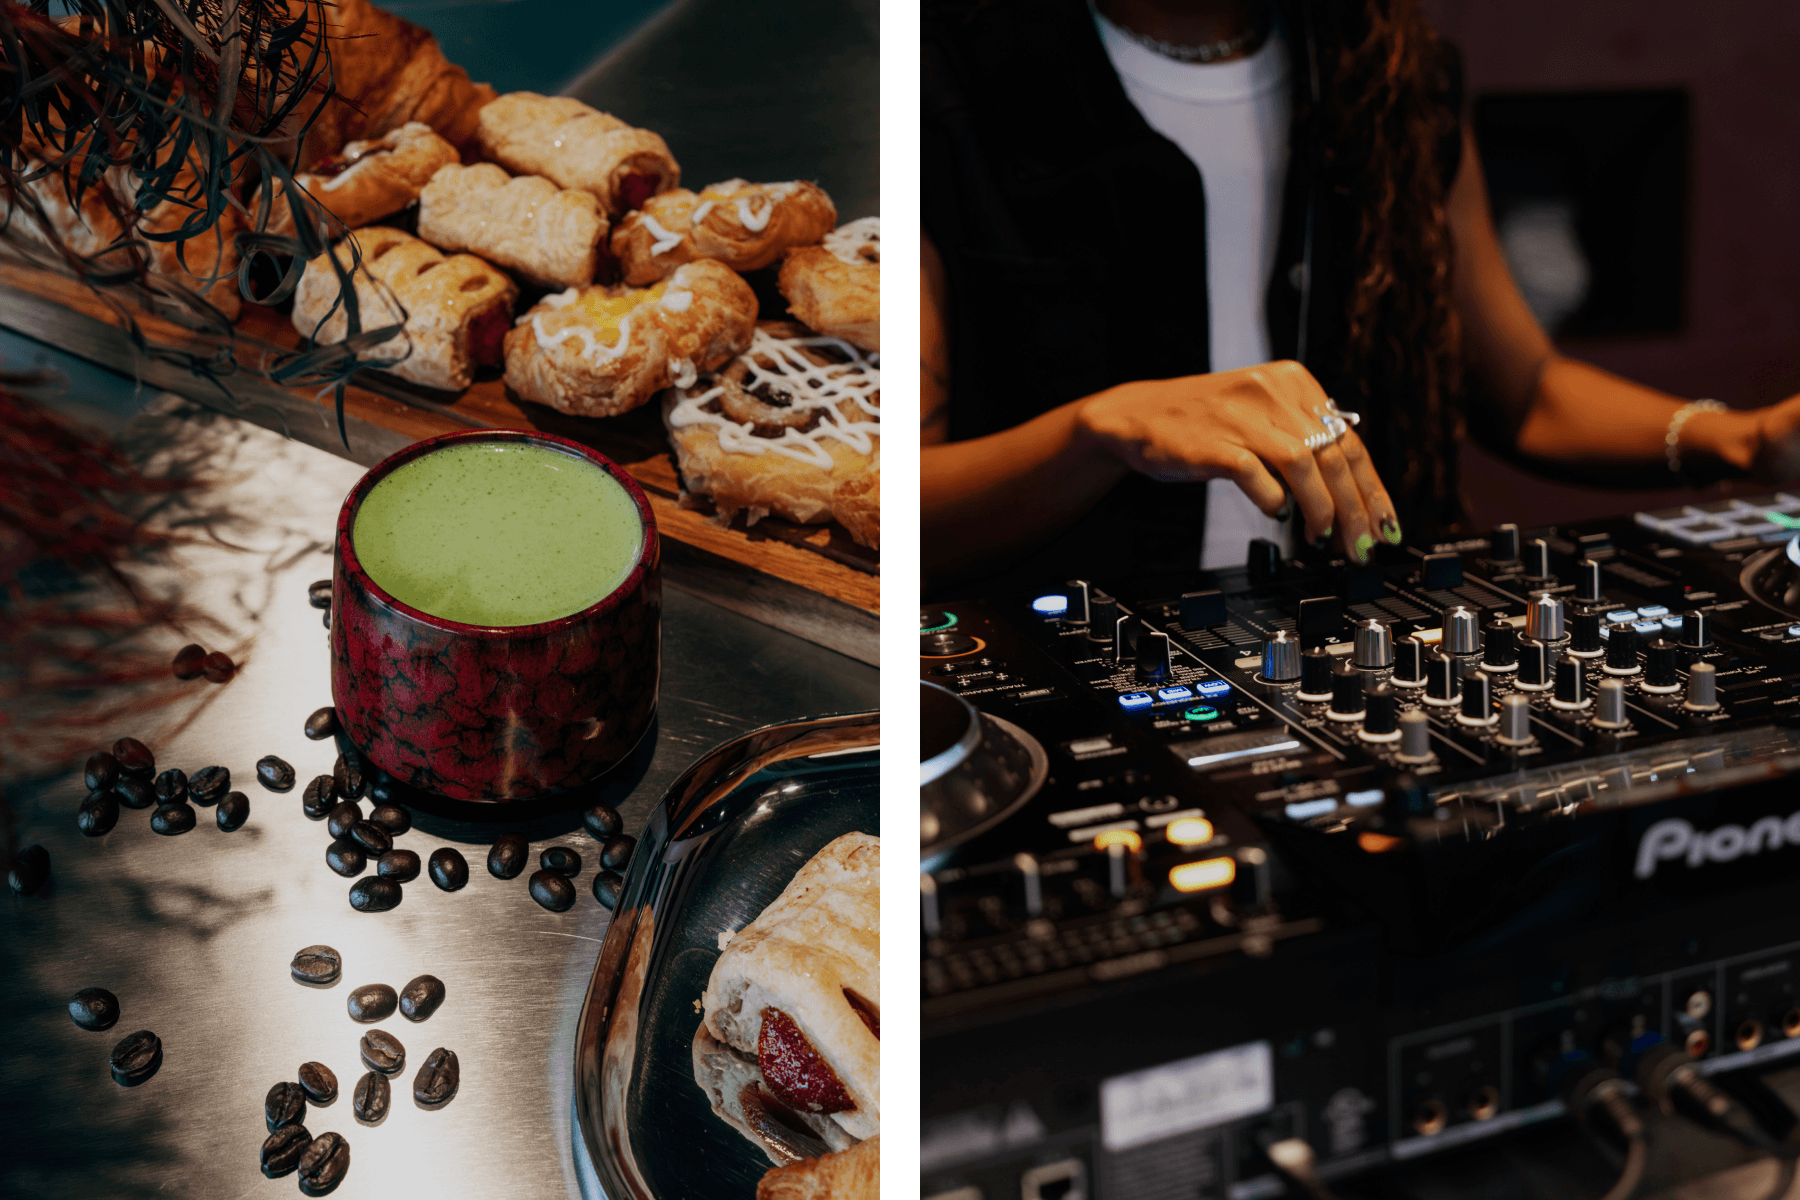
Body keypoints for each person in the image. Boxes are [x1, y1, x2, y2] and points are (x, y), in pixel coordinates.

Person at [920, 0, 1800, 595]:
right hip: (1057, 676)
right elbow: (899, 512)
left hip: (1351, 632)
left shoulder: (1388, 72)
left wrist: (1746, 439)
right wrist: (1101, 431)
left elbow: (1523, 392)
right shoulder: (937, 69)